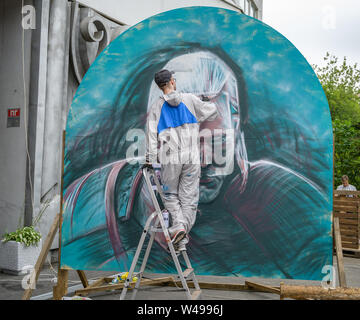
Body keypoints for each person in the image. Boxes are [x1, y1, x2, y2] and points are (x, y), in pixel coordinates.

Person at [145, 69, 218, 253]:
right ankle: (181, 236)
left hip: (170, 158)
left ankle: (178, 228)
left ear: (160, 86)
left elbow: (151, 137)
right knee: (189, 199)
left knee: (170, 195)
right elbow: (212, 111)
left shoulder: (156, 107)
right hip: (191, 157)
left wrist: (150, 158)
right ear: (172, 81)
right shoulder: (190, 100)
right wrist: (207, 102)